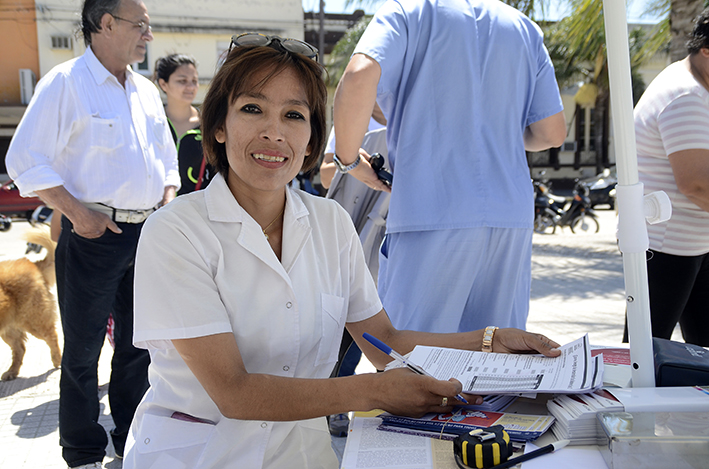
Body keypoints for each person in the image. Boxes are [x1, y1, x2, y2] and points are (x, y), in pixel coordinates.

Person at [122, 33, 561, 469]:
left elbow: (384, 343)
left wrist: (489, 341)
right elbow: (234, 392)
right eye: (252, 109)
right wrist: (372, 392)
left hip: (302, 458)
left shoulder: (330, 223)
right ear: (219, 127)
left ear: (313, 140)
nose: (274, 132)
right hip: (198, 458)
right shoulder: (176, 231)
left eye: (294, 115)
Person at [5, 0, 179, 467]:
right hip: (93, 236)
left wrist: (166, 195)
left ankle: (131, 441)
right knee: (81, 355)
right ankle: (83, 451)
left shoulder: (143, 90)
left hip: (146, 236)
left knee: (137, 348)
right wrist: (76, 213)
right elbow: (24, 159)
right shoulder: (65, 83)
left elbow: (166, 156)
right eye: (140, 25)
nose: (148, 35)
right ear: (105, 23)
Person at [333, 0, 567, 334]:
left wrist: (349, 160)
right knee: (498, 361)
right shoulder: (523, 27)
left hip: (428, 212)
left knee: (413, 366)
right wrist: (498, 131)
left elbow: (358, 77)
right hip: (509, 218)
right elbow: (551, 132)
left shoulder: (407, 11)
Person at [633, 7, 709, 346]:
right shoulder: (687, 95)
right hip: (668, 247)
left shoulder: (695, 84)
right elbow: (696, 183)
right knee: (644, 353)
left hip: (690, 243)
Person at [155, 53, 213, 194]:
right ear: (163, 84)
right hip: (153, 211)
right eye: (182, 81)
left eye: (194, 81)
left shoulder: (208, 125)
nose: (190, 87)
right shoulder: (152, 122)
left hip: (195, 211)